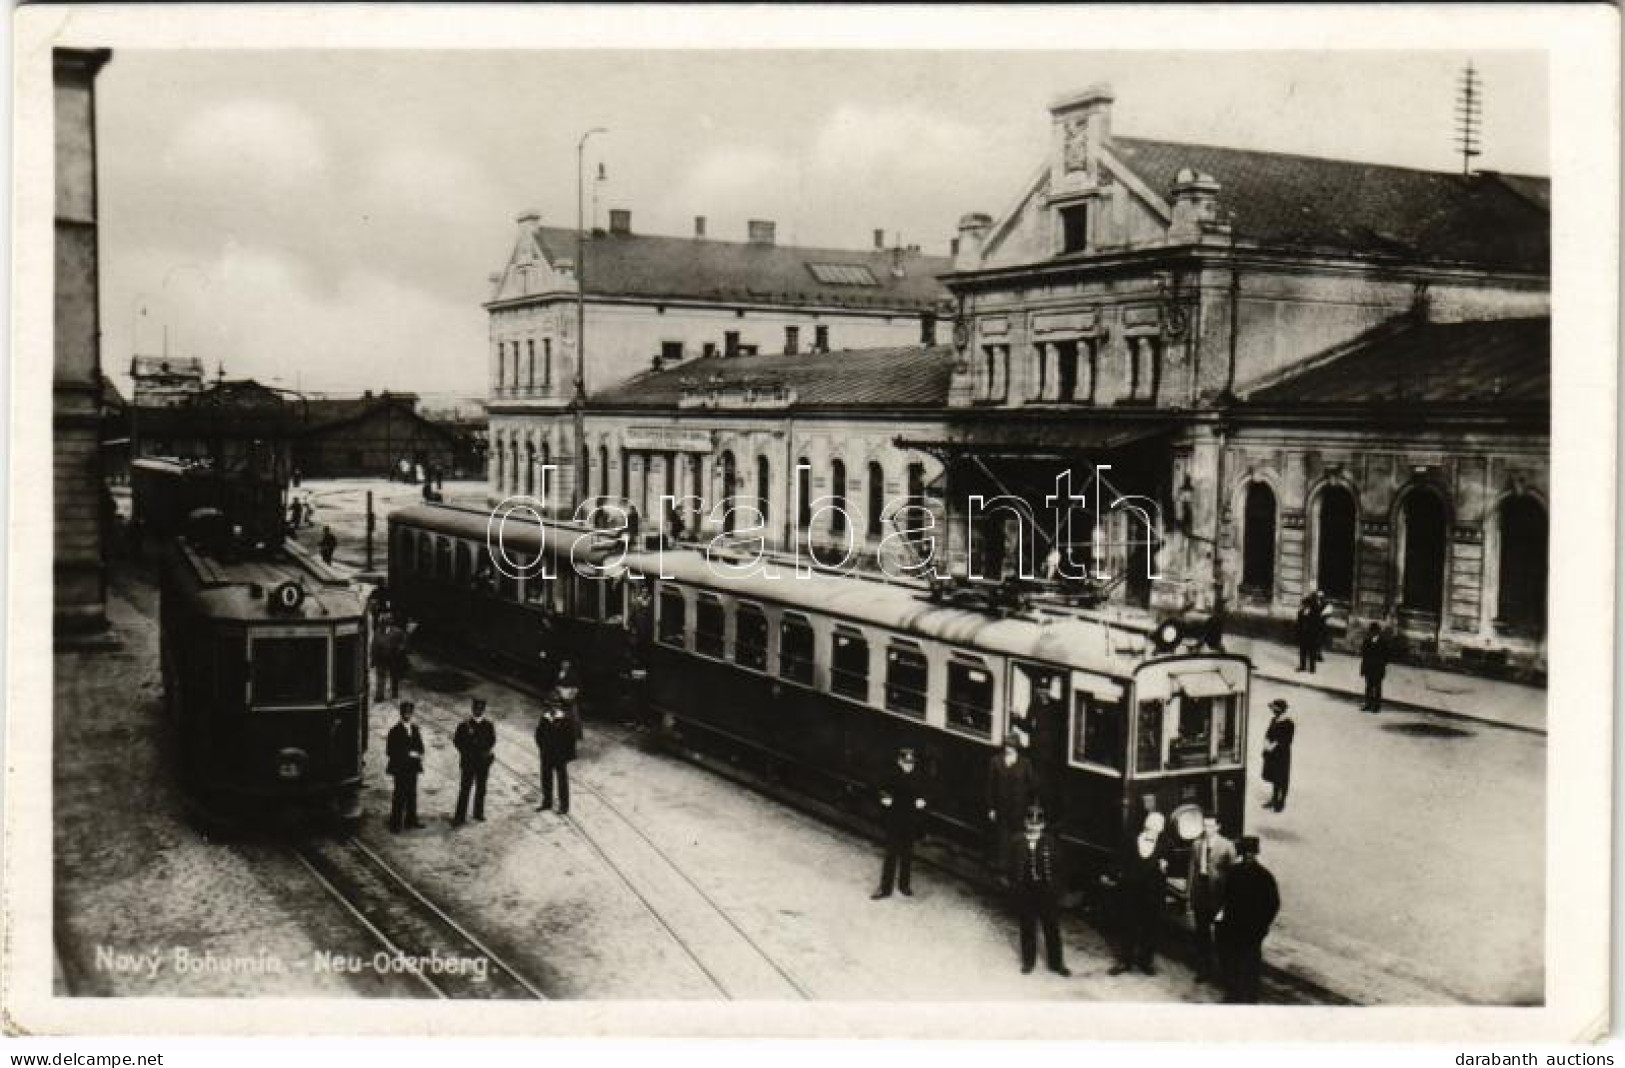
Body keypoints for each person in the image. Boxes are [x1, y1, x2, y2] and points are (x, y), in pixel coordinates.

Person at [1217, 835, 1281, 1003]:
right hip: (1239, 927)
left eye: (1251, 853)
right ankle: (1240, 994)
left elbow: (1272, 904)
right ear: (1242, 854)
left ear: (1255, 854)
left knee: (1246, 962)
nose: (1248, 856)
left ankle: (1245, 995)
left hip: (1249, 929)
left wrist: (1262, 926)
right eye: (1246, 853)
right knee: (1240, 961)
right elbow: (1225, 898)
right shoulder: (1259, 875)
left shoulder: (1261, 876)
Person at [1010, 806, 1071, 977]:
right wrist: (1016, 887)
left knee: (1051, 927)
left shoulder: (1051, 842)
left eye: (1037, 825)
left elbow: (1061, 868)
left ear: (1043, 826)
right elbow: (1012, 867)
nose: (1033, 828)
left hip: (1046, 892)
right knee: (1027, 927)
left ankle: (1057, 963)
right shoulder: (1017, 841)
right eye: (1030, 824)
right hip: (1026, 890)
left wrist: (1057, 890)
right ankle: (1028, 962)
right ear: (1025, 823)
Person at [1109, 812, 1167, 976]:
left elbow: (1171, 867)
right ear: (1145, 826)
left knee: (1150, 929)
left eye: (1156, 830)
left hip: (1153, 895)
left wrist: (1164, 868)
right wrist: (1120, 876)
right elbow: (1119, 861)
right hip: (1131, 892)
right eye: (1150, 828)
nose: (1152, 832)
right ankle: (1124, 962)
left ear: (1161, 830)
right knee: (1128, 926)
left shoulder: (1165, 844)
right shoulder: (1130, 839)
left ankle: (1146, 962)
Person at [871, 746, 928, 899]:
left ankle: (904, 885)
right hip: (894, 819)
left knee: (907, 854)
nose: (909, 766)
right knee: (891, 853)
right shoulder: (891, 774)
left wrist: (923, 800)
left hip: (910, 820)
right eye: (906, 763)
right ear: (899, 761)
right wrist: (884, 797)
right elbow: (879, 788)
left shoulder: (918, 776)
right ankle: (885, 888)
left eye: (911, 763)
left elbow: (926, 791)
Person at [1186, 814, 1236, 981]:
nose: (1207, 830)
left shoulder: (1227, 846)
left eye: (1210, 826)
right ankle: (1204, 969)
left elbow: (1233, 875)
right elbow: (1192, 871)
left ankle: (1225, 972)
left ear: (1218, 827)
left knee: (1222, 936)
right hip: (1201, 894)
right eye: (1204, 826)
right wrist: (1190, 895)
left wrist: (1228, 902)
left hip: (1218, 896)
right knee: (1202, 934)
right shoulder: (1197, 844)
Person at [985, 739, 1037, 882]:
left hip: (1018, 810)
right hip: (1001, 808)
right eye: (1006, 746)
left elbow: (1032, 786)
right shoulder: (995, 761)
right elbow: (990, 787)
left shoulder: (1025, 764)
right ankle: (1001, 871)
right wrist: (991, 808)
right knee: (1001, 840)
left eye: (1011, 746)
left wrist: (1029, 806)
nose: (1008, 748)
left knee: (1016, 839)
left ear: (1017, 748)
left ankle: (1016, 871)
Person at [534, 681, 582, 814]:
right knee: (546, 779)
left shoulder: (565, 720)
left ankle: (564, 806)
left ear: (559, 705)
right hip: (547, 754)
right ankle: (547, 802)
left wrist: (566, 755)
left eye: (555, 704)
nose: (552, 707)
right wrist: (542, 748)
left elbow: (570, 740)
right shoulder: (545, 718)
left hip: (560, 756)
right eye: (550, 704)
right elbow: (538, 735)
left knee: (562, 782)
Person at [452, 697, 496, 825]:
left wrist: (486, 749)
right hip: (468, 762)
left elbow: (492, 740)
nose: (478, 711)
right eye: (476, 708)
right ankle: (460, 816)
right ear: (472, 709)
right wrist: (466, 751)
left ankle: (478, 813)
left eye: (481, 709)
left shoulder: (488, 725)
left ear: (484, 710)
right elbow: (457, 741)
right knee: (465, 788)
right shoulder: (464, 725)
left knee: (481, 789)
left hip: (483, 762)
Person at [385, 701, 426, 833]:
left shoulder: (415, 729)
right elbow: (389, 751)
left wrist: (418, 754)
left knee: (412, 795)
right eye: (405, 713)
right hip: (400, 769)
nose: (407, 715)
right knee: (399, 795)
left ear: (412, 714)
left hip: (412, 768)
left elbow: (420, 747)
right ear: (401, 714)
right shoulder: (394, 731)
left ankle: (411, 821)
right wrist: (407, 754)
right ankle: (395, 823)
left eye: (409, 712)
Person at [1262, 698, 1296, 812]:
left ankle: (1281, 802)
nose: (1273, 711)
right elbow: (1268, 733)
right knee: (1274, 777)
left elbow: (1287, 741)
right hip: (1272, 754)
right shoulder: (1273, 720)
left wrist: (1274, 745)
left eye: (1275, 709)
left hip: (1282, 755)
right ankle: (1274, 799)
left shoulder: (1289, 724)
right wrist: (1266, 744)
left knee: (1282, 778)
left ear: (1281, 710)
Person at [1359, 623, 1390, 712]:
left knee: (1377, 687)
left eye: (1374, 632)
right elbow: (1364, 655)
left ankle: (1376, 706)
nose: (1372, 633)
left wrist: (1382, 664)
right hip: (1369, 667)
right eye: (1371, 631)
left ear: (1378, 632)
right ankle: (1368, 704)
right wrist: (1363, 669)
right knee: (1368, 686)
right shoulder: (1367, 640)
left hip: (1378, 668)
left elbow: (1386, 656)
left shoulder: (1383, 642)